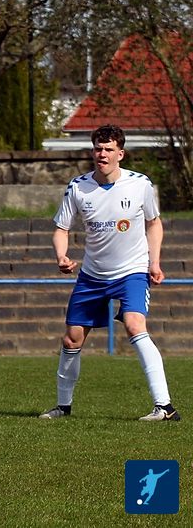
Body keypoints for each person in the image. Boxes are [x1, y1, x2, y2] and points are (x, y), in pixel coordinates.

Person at [40, 124, 180, 422]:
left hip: (132, 271)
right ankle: (63, 407)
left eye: (108, 149)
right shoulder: (77, 187)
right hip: (93, 275)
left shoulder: (140, 184)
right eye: (98, 149)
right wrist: (61, 256)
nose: (102, 154)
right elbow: (61, 228)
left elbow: (153, 223)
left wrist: (154, 262)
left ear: (120, 153)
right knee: (72, 339)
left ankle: (165, 407)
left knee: (134, 324)